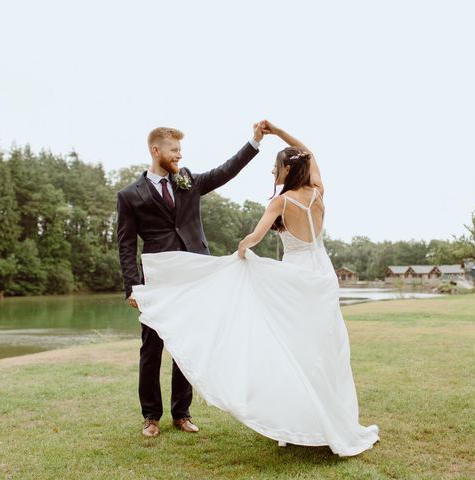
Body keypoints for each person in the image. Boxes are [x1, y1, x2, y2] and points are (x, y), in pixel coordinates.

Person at [134, 121, 379, 456]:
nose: (272, 171)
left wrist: (241, 251)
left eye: (275, 167)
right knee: (324, 350)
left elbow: (254, 238)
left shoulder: (281, 202)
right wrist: (277, 132)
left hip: (293, 278)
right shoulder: (318, 192)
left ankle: (304, 423)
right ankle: (328, 420)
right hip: (321, 275)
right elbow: (311, 153)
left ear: (287, 169)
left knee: (292, 350)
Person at [116, 124, 264, 437]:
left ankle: (181, 413)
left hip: (194, 277)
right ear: (156, 151)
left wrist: (254, 141)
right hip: (158, 280)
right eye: (174, 150)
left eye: (180, 151)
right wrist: (132, 286)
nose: (179, 155)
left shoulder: (188, 181)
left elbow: (226, 171)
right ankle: (150, 417)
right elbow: (126, 245)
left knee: (188, 346)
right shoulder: (129, 196)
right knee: (151, 348)